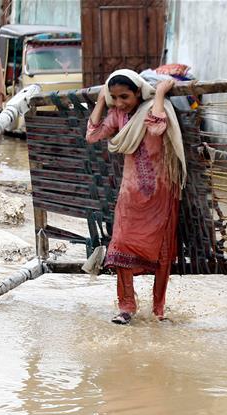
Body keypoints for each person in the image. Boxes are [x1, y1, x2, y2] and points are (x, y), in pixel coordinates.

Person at [85, 69, 186, 324]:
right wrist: (100, 101)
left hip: (160, 193)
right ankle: (126, 306)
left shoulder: (153, 107)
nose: (120, 103)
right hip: (130, 196)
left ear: (138, 92)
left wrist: (160, 93)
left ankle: (158, 309)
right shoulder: (117, 115)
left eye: (125, 97)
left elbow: (157, 127)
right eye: (114, 97)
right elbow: (93, 134)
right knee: (120, 246)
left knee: (161, 253)